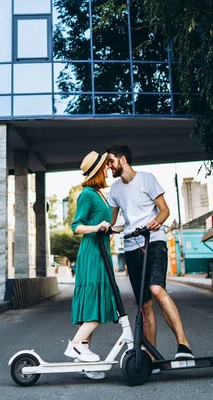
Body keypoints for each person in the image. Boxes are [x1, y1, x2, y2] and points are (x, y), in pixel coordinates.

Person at [106, 144, 194, 360]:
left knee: (156, 288)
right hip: (131, 247)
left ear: (123, 159)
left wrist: (155, 222)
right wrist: (106, 232)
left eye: (111, 161)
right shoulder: (115, 190)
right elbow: (114, 223)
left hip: (153, 241)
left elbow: (165, 210)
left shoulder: (147, 179)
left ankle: (184, 345)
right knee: (144, 304)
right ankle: (151, 356)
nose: (109, 167)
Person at [64, 150, 121, 379]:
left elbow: (105, 223)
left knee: (92, 307)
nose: (108, 168)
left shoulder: (100, 194)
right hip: (92, 254)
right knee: (96, 306)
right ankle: (76, 344)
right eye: (105, 166)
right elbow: (76, 226)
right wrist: (97, 228)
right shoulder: (87, 194)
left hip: (102, 252)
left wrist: (121, 228)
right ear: (97, 170)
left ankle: (84, 362)